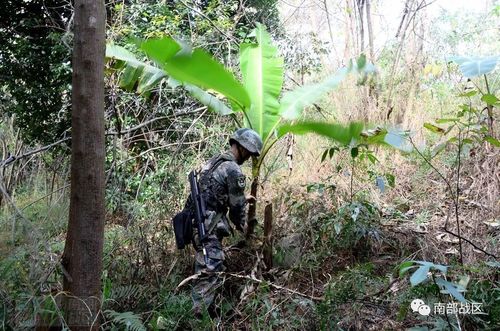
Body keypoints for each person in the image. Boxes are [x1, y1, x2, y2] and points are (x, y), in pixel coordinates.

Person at [186, 128, 263, 318]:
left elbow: (215, 193)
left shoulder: (214, 161)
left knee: (210, 266)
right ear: (243, 148)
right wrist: (242, 226)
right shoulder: (233, 169)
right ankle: (198, 318)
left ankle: (210, 313)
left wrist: (244, 199)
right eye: (250, 153)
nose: (249, 157)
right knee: (210, 268)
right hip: (208, 226)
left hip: (198, 222)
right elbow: (236, 209)